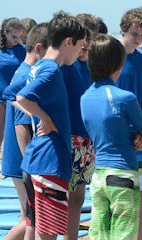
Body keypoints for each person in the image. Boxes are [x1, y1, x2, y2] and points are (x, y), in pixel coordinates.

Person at [14, 11, 86, 240]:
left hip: (39, 161)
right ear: (68, 41)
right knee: (48, 234)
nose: (80, 52)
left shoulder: (37, 66)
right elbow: (22, 98)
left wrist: (42, 117)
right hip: (50, 163)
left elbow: (13, 94)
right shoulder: (52, 69)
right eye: (80, 45)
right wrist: (46, 119)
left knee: (37, 229)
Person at [81, 33, 142, 240]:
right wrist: (138, 138)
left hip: (98, 176)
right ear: (119, 65)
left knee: (100, 234)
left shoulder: (85, 98)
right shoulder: (125, 98)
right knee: (123, 234)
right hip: (123, 176)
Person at [114, 7, 142, 240]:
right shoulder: (110, 55)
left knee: (141, 191)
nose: (139, 39)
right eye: (134, 34)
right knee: (116, 192)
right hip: (114, 134)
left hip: (139, 133)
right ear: (122, 29)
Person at [1, 22, 48, 240]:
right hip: (21, 159)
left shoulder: (24, 72)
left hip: (20, 158)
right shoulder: (27, 76)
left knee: (29, 214)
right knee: (30, 215)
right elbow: (22, 125)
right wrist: (31, 164)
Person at [59, 13, 98, 240]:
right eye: (83, 38)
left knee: (78, 199)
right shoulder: (65, 66)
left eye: (91, 39)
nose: (86, 44)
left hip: (86, 140)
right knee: (62, 200)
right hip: (68, 138)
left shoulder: (91, 66)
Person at [0, 18, 26, 155]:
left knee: (16, 130)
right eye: (14, 36)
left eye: (20, 37)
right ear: (5, 33)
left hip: (18, 97)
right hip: (1, 97)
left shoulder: (23, 50)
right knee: (1, 131)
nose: (17, 40)